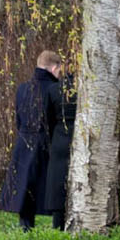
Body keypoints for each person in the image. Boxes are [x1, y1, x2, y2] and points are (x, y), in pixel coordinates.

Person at [0, 50, 65, 231]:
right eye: (59, 70)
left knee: (24, 188)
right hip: (47, 142)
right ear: (54, 67)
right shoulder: (55, 89)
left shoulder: (22, 88)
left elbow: (18, 119)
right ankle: (58, 229)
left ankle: (25, 228)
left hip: (24, 142)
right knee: (53, 189)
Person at [38, 66, 77, 229]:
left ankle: (58, 225)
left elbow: (47, 118)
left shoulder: (53, 90)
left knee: (58, 183)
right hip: (79, 135)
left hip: (59, 136)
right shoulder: (85, 90)